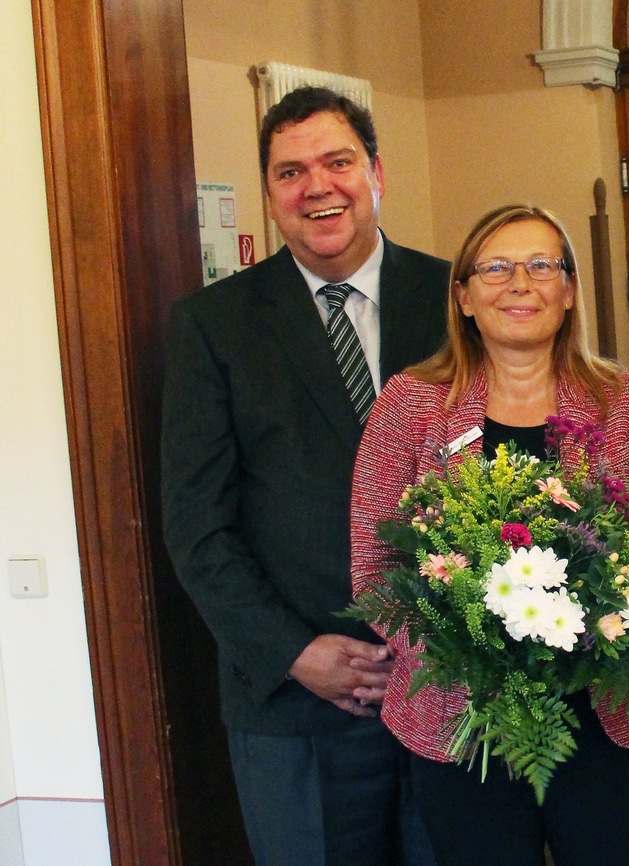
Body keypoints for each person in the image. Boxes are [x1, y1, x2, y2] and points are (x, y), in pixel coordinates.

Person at [161, 86, 447, 866]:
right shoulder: (212, 327)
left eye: (337, 162)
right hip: (295, 705)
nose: (317, 186)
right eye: (290, 172)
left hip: (449, 688)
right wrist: (294, 652)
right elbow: (197, 528)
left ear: (377, 172)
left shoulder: (458, 299)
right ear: (270, 193)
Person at [349, 204, 629, 866]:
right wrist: (463, 653)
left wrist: (593, 639)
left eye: (540, 265)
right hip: (460, 722)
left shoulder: (628, 402)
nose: (519, 283)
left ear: (570, 290)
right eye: (494, 267)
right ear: (464, 296)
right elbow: (375, 570)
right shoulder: (411, 405)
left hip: (606, 714)